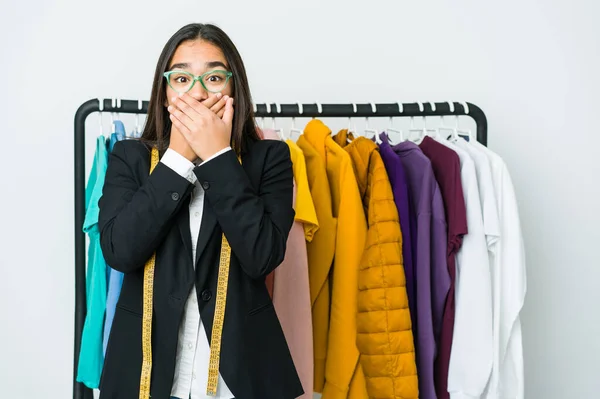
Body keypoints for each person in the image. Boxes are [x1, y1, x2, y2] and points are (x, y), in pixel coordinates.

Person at [97, 23, 303, 399]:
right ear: (163, 94)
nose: (197, 92)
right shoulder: (130, 157)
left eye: (212, 77)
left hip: (240, 379)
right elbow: (120, 251)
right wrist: (176, 158)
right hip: (146, 376)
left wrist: (218, 156)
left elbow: (262, 257)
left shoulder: (269, 158)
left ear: (233, 89)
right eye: (181, 78)